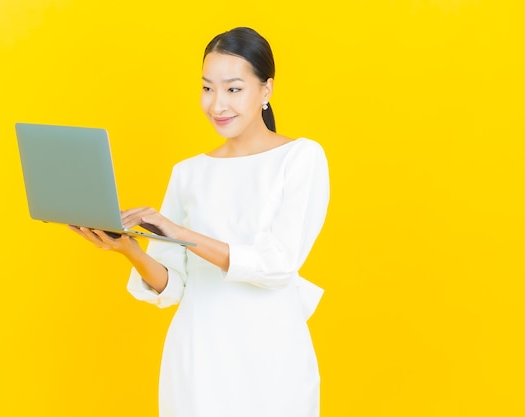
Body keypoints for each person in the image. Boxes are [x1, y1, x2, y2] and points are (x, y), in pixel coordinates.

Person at [69, 27, 330, 417]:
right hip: (197, 354)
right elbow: (173, 287)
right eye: (207, 88)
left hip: (270, 356)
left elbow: (278, 264)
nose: (217, 104)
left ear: (266, 91)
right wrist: (129, 249)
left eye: (233, 89)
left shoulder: (300, 158)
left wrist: (182, 234)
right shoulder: (188, 173)